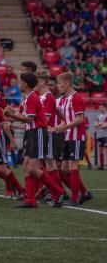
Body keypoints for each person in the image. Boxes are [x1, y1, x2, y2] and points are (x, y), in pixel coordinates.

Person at [5, 73, 64, 208]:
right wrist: (10, 115)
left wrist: (12, 115)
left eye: (20, 82)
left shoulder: (32, 98)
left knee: (33, 168)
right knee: (26, 166)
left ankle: (58, 191)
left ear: (25, 84)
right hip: (32, 133)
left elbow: (29, 119)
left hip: (38, 133)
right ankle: (31, 200)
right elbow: (25, 117)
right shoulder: (29, 98)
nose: (18, 84)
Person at [56, 72, 93, 206]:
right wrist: (56, 127)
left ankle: (74, 199)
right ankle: (85, 193)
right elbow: (67, 119)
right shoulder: (65, 99)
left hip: (77, 137)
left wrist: (65, 126)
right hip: (68, 137)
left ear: (66, 83)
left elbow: (80, 119)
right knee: (64, 170)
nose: (58, 86)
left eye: (59, 84)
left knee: (72, 167)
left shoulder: (76, 98)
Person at [36, 72, 62, 199]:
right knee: (43, 163)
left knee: (50, 163)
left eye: (36, 81)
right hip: (40, 133)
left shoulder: (48, 98)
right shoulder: (40, 97)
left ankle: (56, 194)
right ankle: (50, 192)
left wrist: (28, 121)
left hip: (47, 134)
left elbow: (45, 120)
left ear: (41, 82)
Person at [94, 103, 107, 170]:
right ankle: (101, 165)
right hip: (99, 135)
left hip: (105, 135)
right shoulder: (98, 116)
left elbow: (105, 125)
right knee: (100, 151)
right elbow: (95, 125)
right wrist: (101, 124)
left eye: (101, 107)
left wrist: (99, 125)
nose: (99, 108)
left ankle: (105, 164)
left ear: (105, 107)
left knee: (106, 150)